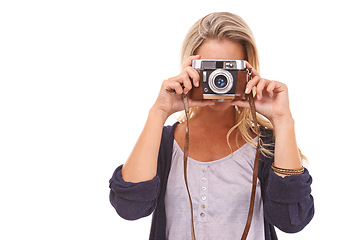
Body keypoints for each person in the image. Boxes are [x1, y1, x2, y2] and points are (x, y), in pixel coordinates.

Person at [109, 12, 314, 240]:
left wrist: (283, 120)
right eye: (209, 69)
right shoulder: (165, 143)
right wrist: (159, 112)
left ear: (248, 72)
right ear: (189, 68)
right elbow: (129, 208)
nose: (220, 80)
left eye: (229, 70)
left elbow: (292, 220)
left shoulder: (264, 145)